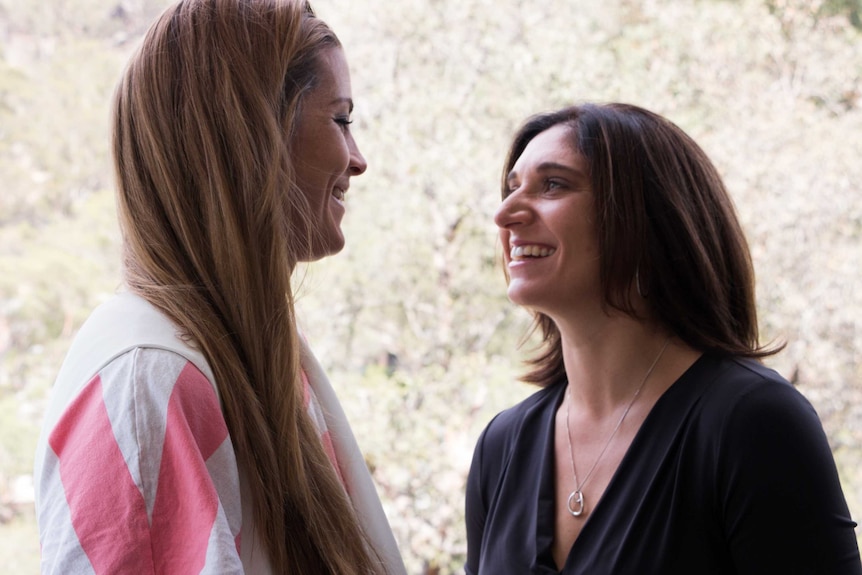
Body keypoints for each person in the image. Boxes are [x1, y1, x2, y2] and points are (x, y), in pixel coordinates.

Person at [32, 0, 406, 573]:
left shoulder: (251, 356)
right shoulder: (149, 382)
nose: (358, 161)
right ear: (253, 137)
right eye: (341, 119)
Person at [465, 103, 862, 574]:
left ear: (648, 216)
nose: (505, 214)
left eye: (553, 184)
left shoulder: (753, 422)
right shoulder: (502, 446)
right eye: (511, 189)